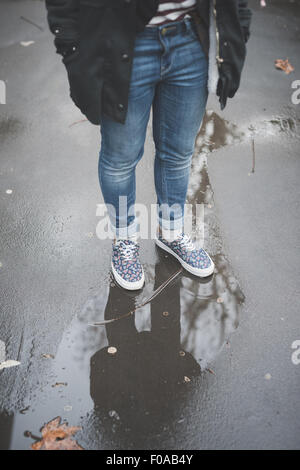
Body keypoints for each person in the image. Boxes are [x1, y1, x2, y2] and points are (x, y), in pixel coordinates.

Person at [45, 0, 252, 290]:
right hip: (122, 37)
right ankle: (124, 239)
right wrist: (69, 40)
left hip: (191, 37)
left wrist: (238, 23)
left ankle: (170, 232)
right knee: (121, 158)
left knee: (178, 153)